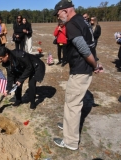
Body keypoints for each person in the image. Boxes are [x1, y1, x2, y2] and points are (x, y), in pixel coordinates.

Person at [52, 0, 102, 151]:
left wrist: (94, 65)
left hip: (81, 70)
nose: (58, 18)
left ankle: (70, 141)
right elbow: (91, 43)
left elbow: (85, 49)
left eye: (58, 14)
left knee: (73, 104)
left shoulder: (72, 24)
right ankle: (68, 125)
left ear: (65, 11)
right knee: (71, 100)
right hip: (82, 68)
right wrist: (97, 62)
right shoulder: (82, 20)